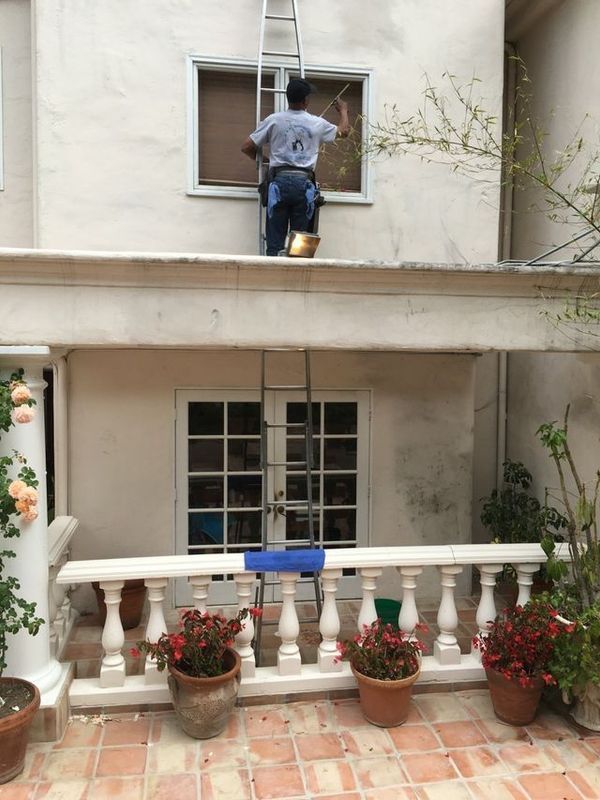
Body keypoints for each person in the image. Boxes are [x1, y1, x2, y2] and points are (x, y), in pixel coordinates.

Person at [241, 78, 350, 256]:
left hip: (278, 184)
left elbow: (246, 147)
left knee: (275, 245)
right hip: (304, 186)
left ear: (288, 98)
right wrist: (343, 110)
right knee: (301, 247)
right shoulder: (316, 123)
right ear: (306, 100)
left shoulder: (274, 120)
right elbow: (344, 131)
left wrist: (267, 161)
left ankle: (273, 275)